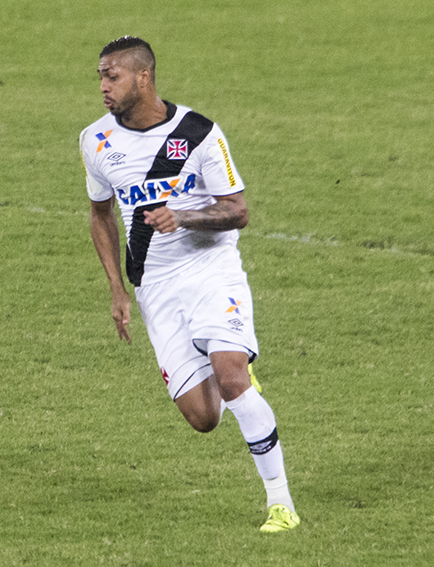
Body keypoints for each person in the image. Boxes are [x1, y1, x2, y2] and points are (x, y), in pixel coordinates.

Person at [79, 36, 300, 532]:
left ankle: (281, 504)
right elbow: (100, 214)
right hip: (155, 287)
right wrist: (117, 288)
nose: (103, 87)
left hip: (210, 270)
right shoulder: (95, 140)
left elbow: (238, 211)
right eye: (100, 77)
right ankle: (229, 364)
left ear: (143, 77)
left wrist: (183, 216)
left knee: (231, 378)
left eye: (112, 76)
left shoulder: (198, 133)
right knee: (204, 417)